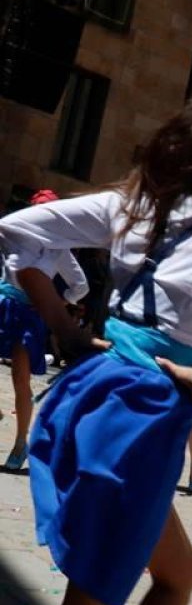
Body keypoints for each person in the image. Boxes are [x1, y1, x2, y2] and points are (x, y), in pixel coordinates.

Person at [0, 97, 192, 605]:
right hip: (142, 416)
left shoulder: (133, 207)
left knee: (177, 574)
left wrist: (64, 326)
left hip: (89, 396)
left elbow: (19, 228)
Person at [0, 189, 88, 472]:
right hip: (3, 303)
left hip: (29, 313)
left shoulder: (58, 249)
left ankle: (20, 442)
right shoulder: (12, 232)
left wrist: (59, 302)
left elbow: (80, 285)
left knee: (20, 378)